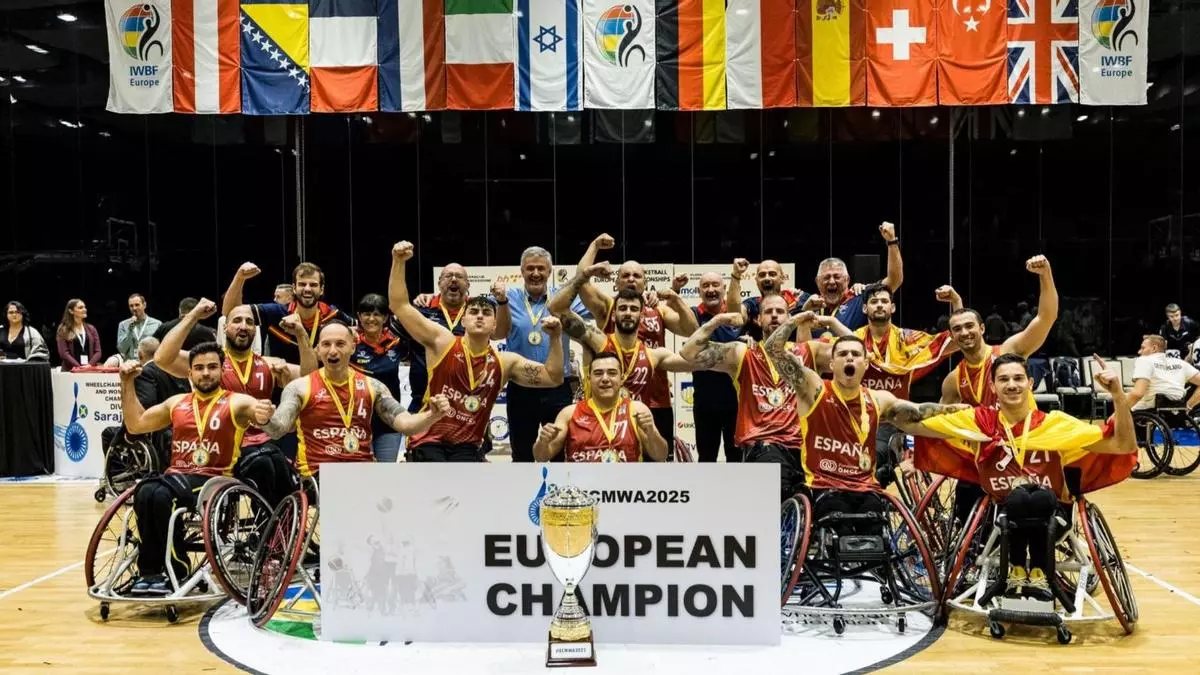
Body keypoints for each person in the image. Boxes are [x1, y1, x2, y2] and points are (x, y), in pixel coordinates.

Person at [907, 354, 1135, 597]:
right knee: (1013, 499)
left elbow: (1123, 445)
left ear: (1030, 384)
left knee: (1036, 498)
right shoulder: (979, 422)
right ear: (992, 387)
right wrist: (881, 401)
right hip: (998, 519)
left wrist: (1118, 395)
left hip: (1053, 517)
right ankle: (1025, 574)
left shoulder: (1055, 425)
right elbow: (913, 424)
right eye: (1003, 379)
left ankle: (1034, 573)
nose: (1012, 384)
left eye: (1018, 378)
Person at [117, 343, 277, 595]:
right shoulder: (176, 403)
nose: (205, 373)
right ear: (189, 373)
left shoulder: (236, 402)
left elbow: (257, 411)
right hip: (177, 475)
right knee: (144, 491)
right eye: (199, 368)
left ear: (222, 370)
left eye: (212, 367)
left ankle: (176, 569)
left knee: (161, 494)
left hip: (215, 479)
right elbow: (135, 424)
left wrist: (263, 412)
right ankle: (150, 572)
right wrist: (126, 382)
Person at [389, 241, 566, 462]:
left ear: (495, 326)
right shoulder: (442, 341)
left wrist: (556, 338)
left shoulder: (505, 362)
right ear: (463, 320)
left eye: (486, 312)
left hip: (468, 446)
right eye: (473, 311)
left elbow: (554, 377)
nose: (480, 315)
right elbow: (400, 306)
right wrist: (398, 261)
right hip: (429, 440)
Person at [758, 319, 965, 506]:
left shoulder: (879, 399)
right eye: (842, 354)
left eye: (856, 354)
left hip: (865, 488)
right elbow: (772, 350)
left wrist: (953, 410)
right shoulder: (815, 389)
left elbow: (918, 412)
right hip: (825, 486)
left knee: (875, 522)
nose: (849, 358)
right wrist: (796, 320)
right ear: (831, 364)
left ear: (866, 364)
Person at [156, 298, 316, 495]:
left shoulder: (269, 364)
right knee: (265, 461)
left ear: (255, 330)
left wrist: (301, 334)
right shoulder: (209, 365)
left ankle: (281, 514)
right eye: (237, 320)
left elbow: (311, 379)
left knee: (276, 460)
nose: (244, 326)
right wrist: (194, 315)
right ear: (225, 328)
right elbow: (162, 359)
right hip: (221, 447)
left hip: (263, 444)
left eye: (249, 322)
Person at [261, 322, 452, 477]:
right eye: (326, 344)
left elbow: (406, 424)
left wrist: (432, 415)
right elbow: (278, 430)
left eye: (340, 344)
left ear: (353, 347)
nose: (333, 351)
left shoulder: (373, 387)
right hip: (318, 475)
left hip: (362, 474)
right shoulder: (299, 387)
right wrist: (266, 419)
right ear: (318, 350)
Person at [552, 260, 696, 456]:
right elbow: (558, 307)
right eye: (623, 309)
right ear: (614, 313)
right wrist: (588, 269)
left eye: (633, 309)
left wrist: (675, 297)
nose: (628, 313)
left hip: (651, 406)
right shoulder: (600, 335)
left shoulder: (657, 331)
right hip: (605, 410)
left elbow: (692, 337)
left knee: (656, 464)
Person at [680, 300, 826, 483]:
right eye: (769, 311)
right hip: (761, 447)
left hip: (803, 447)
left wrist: (832, 322)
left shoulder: (809, 350)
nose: (774, 315)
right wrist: (716, 321)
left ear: (789, 317)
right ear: (758, 319)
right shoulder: (743, 353)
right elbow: (688, 353)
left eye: (780, 311)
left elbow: (855, 354)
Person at [493, 246, 591, 463]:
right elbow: (494, 330)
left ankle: (558, 488)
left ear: (549, 271)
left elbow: (602, 308)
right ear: (521, 271)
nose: (535, 273)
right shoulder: (508, 298)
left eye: (540, 268)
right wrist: (426, 298)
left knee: (559, 453)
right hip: (521, 388)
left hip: (558, 388)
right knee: (522, 454)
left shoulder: (563, 299)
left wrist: (647, 297)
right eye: (530, 268)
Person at [939, 256, 1058, 407]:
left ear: (982, 328)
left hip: (1027, 423)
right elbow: (941, 417)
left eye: (969, 326)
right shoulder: (953, 380)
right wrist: (957, 303)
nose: (964, 332)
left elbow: (1046, 318)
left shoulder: (1008, 351)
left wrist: (1045, 274)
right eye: (957, 329)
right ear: (951, 336)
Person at [533, 352, 669, 462]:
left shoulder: (636, 410)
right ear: (589, 379)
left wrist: (652, 432)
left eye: (612, 373)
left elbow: (661, 456)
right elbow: (541, 457)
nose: (605, 379)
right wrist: (543, 442)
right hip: (582, 485)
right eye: (598, 373)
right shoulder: (569, 413)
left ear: (621, 379)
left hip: (625, 485)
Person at [221, 261, 353, 364]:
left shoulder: (333, 315)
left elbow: (361, 329)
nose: (307, 289)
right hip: (283, 386)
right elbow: (230, 312)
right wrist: (239, 278)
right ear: (294, 288)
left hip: (323, 387)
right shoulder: (276, 312)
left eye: (313, 285)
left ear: (321, 289)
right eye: (302, 284)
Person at [796, 222, 905, 337]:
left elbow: (894, 280)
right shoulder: (807, 303)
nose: (832, 281)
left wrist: (892, 242)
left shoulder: (860, 297)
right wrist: (805, 310)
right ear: (817, 281)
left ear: (847, 280)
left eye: (837, 277)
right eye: (826, 277)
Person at [396, 263, 471, 413]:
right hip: (424, 401)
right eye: (448, 276)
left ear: (468, 285)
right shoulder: (422, 310)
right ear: (439, 283)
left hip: (465, 401)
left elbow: (501, 331)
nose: (454, 279)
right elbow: (397, 308)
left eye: (459, 276)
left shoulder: (477, 312)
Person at [349, 293, 412, 462]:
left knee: (386, 472)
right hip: (356, 420)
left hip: (389, 421)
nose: (371, 319)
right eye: (366, 314)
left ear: (385, 318)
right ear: (359, 316)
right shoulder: (349, 342)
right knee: (361, 472)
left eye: (377, 314)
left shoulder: (397, 342)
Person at [687, 272, 741, 462]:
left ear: (724, 289)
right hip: (705, 403)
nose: (711, 290)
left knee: (737, 458)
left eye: (715, 285)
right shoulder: (693, 315)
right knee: (706, 458)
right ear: (699, 291)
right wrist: (674, 291)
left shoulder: (738, 315)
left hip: (737, 402)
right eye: (706, 286)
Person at [724, 258, 802, 341]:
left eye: (772, 274)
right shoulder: (752, 304)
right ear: (756, 280)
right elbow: (735, 315)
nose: (767, 278)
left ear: (782, 278)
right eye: (762, 275)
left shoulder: (798, 301)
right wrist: (736, 275)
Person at [1125, 334, 1200, 411]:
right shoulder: (1181, 363)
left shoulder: (1144, 360)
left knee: (1120, 402)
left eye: (1143, 348)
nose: (1139, 352)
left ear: (1154, 348)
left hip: (1147, 410)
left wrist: (1120, 411)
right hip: (1176, 411)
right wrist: (1188, 406)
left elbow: (1137, 394)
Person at [151, 298, 217, 349]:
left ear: (179, 310)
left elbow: (152, 346)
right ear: (197, 310)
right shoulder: (207, 332)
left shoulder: (164, 327)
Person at [55, 298, 101, 369]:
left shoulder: (92, 329)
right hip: (70, 370)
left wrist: (89, 365)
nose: (84, 309)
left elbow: (98, 351)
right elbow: (64, 353)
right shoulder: (63, 329)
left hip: (89, 370)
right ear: (71, 311)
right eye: (80, 307)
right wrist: (78, 367)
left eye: (85, 307)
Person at [116, 294, 162, 362]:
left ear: (144, 305)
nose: (134, 308)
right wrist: (130, 329)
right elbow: (122, 349)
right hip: (130, 363)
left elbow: (161, 349)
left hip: (149, 363)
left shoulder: (157, 324)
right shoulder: (123, 325)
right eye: (131, 306)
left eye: (137, 305)